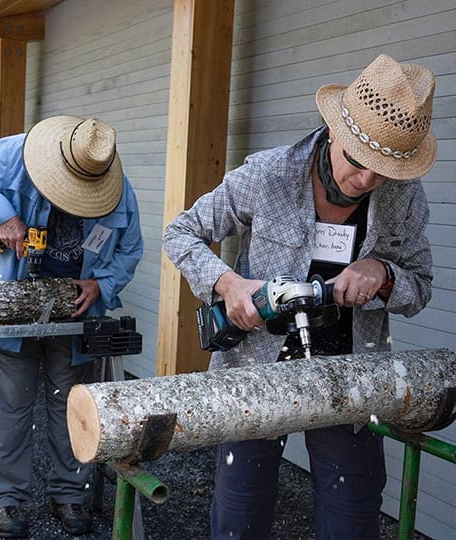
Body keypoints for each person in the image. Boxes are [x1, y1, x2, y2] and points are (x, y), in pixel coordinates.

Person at [163, 53, 435, 539]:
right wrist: (230, 285)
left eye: (384, 169)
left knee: (353, 509)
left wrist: (385, 274)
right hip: (256, 366)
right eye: (357, 161)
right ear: (335, 133)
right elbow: (180, 234)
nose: (368, 181)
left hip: (349, 370)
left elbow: (420, 286)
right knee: (241, 508)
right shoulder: (268, 174)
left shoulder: (406, 198)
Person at [0, 116, 143, 538]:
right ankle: (8, 501)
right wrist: (3, 215)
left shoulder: (116, 186)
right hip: (13, 306)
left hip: (75, 314)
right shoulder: (18, 154)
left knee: (71, 407)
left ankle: (70, 494)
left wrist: (101, 284)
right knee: (9, 408)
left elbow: (131, 248)